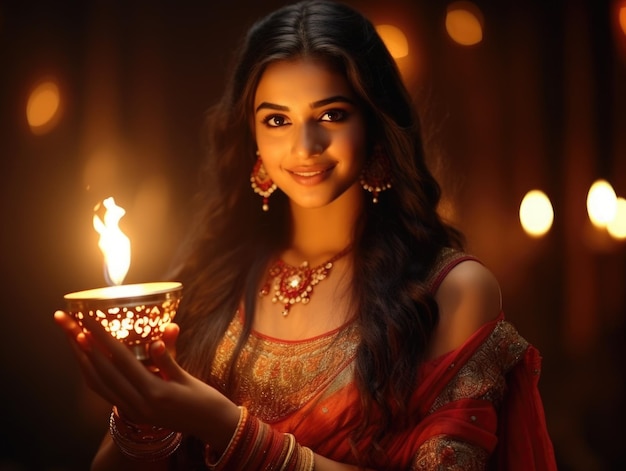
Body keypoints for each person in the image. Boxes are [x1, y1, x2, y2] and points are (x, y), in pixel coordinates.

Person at [54, 0, 557, 469]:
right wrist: (140, 410)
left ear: (376, 125)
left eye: (331, 115)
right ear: (251, 135)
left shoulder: (450, 291)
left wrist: (227, 428)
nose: (305, 146)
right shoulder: (210, 282)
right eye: (277, 119)